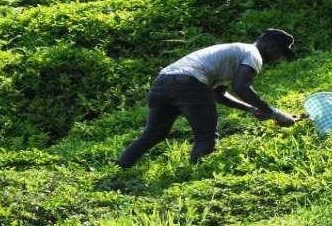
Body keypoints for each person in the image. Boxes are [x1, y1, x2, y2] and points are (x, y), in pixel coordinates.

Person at [115, 29, 299, 168]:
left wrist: (251, 109)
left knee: (153, 134)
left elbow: (217, 93)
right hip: (189, 82)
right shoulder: (253, 54)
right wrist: (275, 113)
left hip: (163, 81)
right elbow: (241, 87)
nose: (277, 59)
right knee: (206, 137)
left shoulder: (237, 52)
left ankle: (119, 170)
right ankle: (196, 179)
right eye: (280, 54)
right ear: (272, 46)